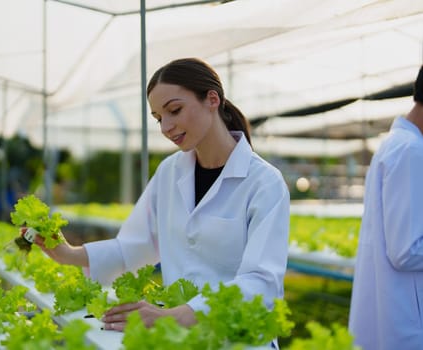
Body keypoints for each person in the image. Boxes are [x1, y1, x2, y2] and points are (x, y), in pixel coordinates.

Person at [35, 58, 290, 345]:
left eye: (174, 110)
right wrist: (67, 254)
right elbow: (136, 246)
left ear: (212, 99)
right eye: (158, 118)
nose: (166, 127)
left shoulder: (264, 183)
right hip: (179, 339)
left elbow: (261, 282)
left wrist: (176, 315)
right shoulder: (170, 172)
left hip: (238, 340)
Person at [348, 65, 423, 350]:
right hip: (407, 326)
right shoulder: (411, 151)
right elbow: (406, 251)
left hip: (395, 317)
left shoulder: (398, 145)